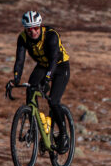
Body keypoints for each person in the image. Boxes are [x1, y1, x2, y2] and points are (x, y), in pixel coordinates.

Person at [4, 10, 71, 149]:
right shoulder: (22, 38)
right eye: (29, 29)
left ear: (40, 26)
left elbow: (53, 60)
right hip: (43, 66)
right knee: (30, 89)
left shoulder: (51, 35)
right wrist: (16, 79)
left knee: (53, 101)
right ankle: (35, 127)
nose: (33, 32)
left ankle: (63, 134)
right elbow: (20, 60)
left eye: (35, 28)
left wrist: (47, 79)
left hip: (59, 66)